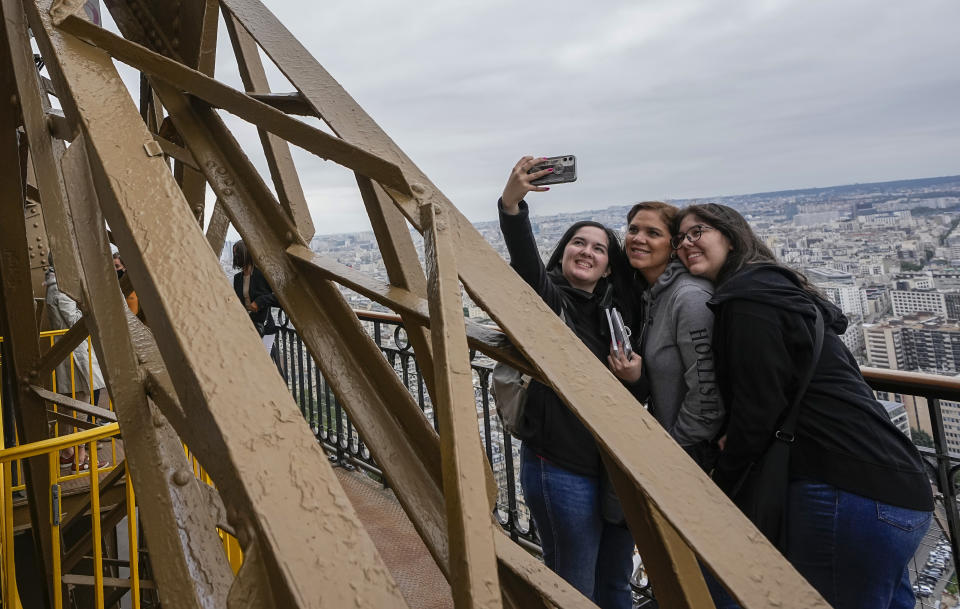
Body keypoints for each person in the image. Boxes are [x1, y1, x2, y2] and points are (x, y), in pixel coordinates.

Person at [673, 203, 933, 609]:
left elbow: (758, 408)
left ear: (731, 235)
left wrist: (723, 482)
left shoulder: (746, 299)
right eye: (680, 238)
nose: (685, 243)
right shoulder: (782, 289)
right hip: (897, 486)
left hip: (844, 491)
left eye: (697, 231)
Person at [499, 156, 639, 609]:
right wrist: (512, 203)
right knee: (575, 584)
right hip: (560, 460)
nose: (587, 252)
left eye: (599, 249)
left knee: (615, 583)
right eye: (579, 243)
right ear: (562, 252)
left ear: (609, 267)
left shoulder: (616, 314)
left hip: (613, 467)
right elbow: (526, 263)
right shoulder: (549, 301)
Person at [609, 201, 724, 470]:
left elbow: (706, 392)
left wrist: (675, 447)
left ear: (675, 246)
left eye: (653, 233)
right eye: (634, 229)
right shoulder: (652, 294)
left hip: (690, 457)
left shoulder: (688, 298)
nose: (638, 238)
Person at [45, 252, 106, 469]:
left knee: (67, 408)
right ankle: (81, 459)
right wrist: (89, 309)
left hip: (69, 355)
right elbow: (75, 321)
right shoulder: (61, 289)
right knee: (81, 406)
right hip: (75, 356)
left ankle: (67, 453)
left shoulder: (53, 286)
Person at [232, 241, 282, 369]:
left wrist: (259, 302)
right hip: (248, 327)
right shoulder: (238, 278)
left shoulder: (261, 275)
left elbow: (279, 297)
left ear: (245, 254)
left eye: (237, 253)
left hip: (264, 327)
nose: (235, 256)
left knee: (262, 364)